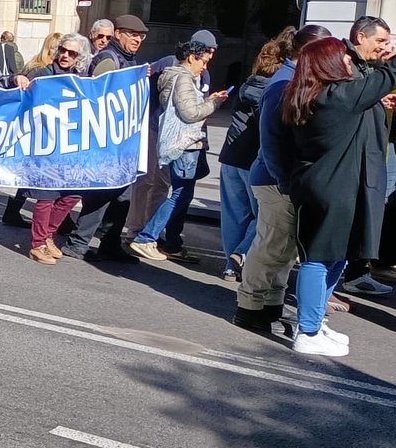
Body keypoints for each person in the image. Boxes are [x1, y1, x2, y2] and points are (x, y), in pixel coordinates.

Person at [283, 0, 396, 357]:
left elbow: (359, 105)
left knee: (336, 257)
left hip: (336, 185)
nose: (350, 60)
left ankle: (315, 322)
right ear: (328, 64)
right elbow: (394, 72)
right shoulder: (337, 96)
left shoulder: (324, 93)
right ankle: (307, 330)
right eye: (344, 58)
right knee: (318, 259)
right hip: (333, 188)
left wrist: (376, 104)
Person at [233, 24, 332, 332]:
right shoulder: (282, 84)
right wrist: (284, 181)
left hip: (285, 179)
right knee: (271, 246)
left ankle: (270, 304)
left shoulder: (297, 79)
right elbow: (271, 140)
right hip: (275, 179)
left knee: (285, 249)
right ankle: (250, 306)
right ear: (307, 53)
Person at [128, 36, 229, 262]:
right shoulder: (182, 78)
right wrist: (213, 103)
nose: (204, 67)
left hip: (182, 142)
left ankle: (149, 236)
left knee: (178, 192)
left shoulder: (178, 76)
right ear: (192, 57)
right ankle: (146, 237)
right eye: (202, 62)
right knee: (180, 194)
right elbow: (190, 113)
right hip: (184, 143)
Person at [65, 14, 150, 261]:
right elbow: (99, 95)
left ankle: (109, 242)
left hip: (123, 141)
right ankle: (77, 243)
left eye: (141, 36)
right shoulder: (109, 59)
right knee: (101, 193)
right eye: (133, 34)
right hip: (106, 140)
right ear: (119, 34)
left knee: (123, 194)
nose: (137, 39)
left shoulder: (127, 59)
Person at [333, 15, 396, 298]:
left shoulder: (364, 68)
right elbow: (341, 102)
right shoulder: (344, 64)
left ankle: (325, 295)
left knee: (342, 240)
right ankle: (312, 313)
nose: (385, 47)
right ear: (361, 37)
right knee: (329, 244)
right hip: (341, 168)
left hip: (360, 164)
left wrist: (377, 99)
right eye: (380, 41)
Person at [217, 30, 294, 280]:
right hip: (255, 160)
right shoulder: (279, 90)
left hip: (231, 156)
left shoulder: (248, 83)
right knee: (263, 216)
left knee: (233, 216)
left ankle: (230, 265)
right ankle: (242, 254)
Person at [24, 36, 90, 264]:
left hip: (70, 149)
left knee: (72, 194)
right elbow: (15, 87)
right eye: (63, 50)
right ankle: (38, 243)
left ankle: (49, 235)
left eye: (72, 53)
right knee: (46, 197)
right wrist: (18, 79)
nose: (65, 55)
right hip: (43, 146)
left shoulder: (81, 80)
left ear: (79, 58)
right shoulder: (42, 74)